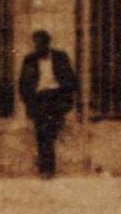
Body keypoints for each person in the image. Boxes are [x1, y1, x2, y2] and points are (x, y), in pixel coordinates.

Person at [15, 28, 77, 179]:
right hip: (40, 99)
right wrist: (28, 101)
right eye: (37, 44)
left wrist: (65, 100)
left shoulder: (60, 57)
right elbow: (23, 83)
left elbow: (71, 79)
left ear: (48, 44)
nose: (39, 47)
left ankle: (47, 168)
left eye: (42, 44)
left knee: (50, 134)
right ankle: (46, 169)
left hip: (55, 98)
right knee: (42, 135)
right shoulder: (29, 60)